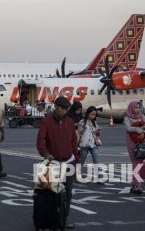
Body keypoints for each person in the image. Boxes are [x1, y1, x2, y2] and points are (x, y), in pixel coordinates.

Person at [36, 96, 79, 229]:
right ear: (56, 107)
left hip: (69, 161)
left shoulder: (70, 122)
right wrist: (46, 154)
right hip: (53, 162)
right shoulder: (46, 122)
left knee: (68, 192)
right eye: (63, 109)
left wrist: (76, 159)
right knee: (51, 193)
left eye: (67, 109)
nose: (65, 111)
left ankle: (64, 219)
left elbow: (73, 141)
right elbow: (41, 141)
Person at [124, 101, 145, 194]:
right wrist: (139, 130)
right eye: (135, 107)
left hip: (142, 141)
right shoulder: (127, 117)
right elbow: (128, 128)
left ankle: (134, 183)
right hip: (132, 143)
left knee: (139, 163)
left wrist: (143, 131)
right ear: (131, 108)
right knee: (136, 163)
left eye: (138, 107)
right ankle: (137, 185)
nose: (137, 109)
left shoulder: (142, 116)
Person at [78, 106, 102, 184]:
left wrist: (98, 133)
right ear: (88, 113)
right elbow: (78, 133)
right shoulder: (82, 122)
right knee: (81, 161)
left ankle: (98, 178)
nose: (93, 116)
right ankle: (78, 176)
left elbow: (97, 133)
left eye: (95, 115)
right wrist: (77, 144)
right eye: (92, 114)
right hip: (84, 144)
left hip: (93, 144)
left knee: (97, 160)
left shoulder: (94, 122)